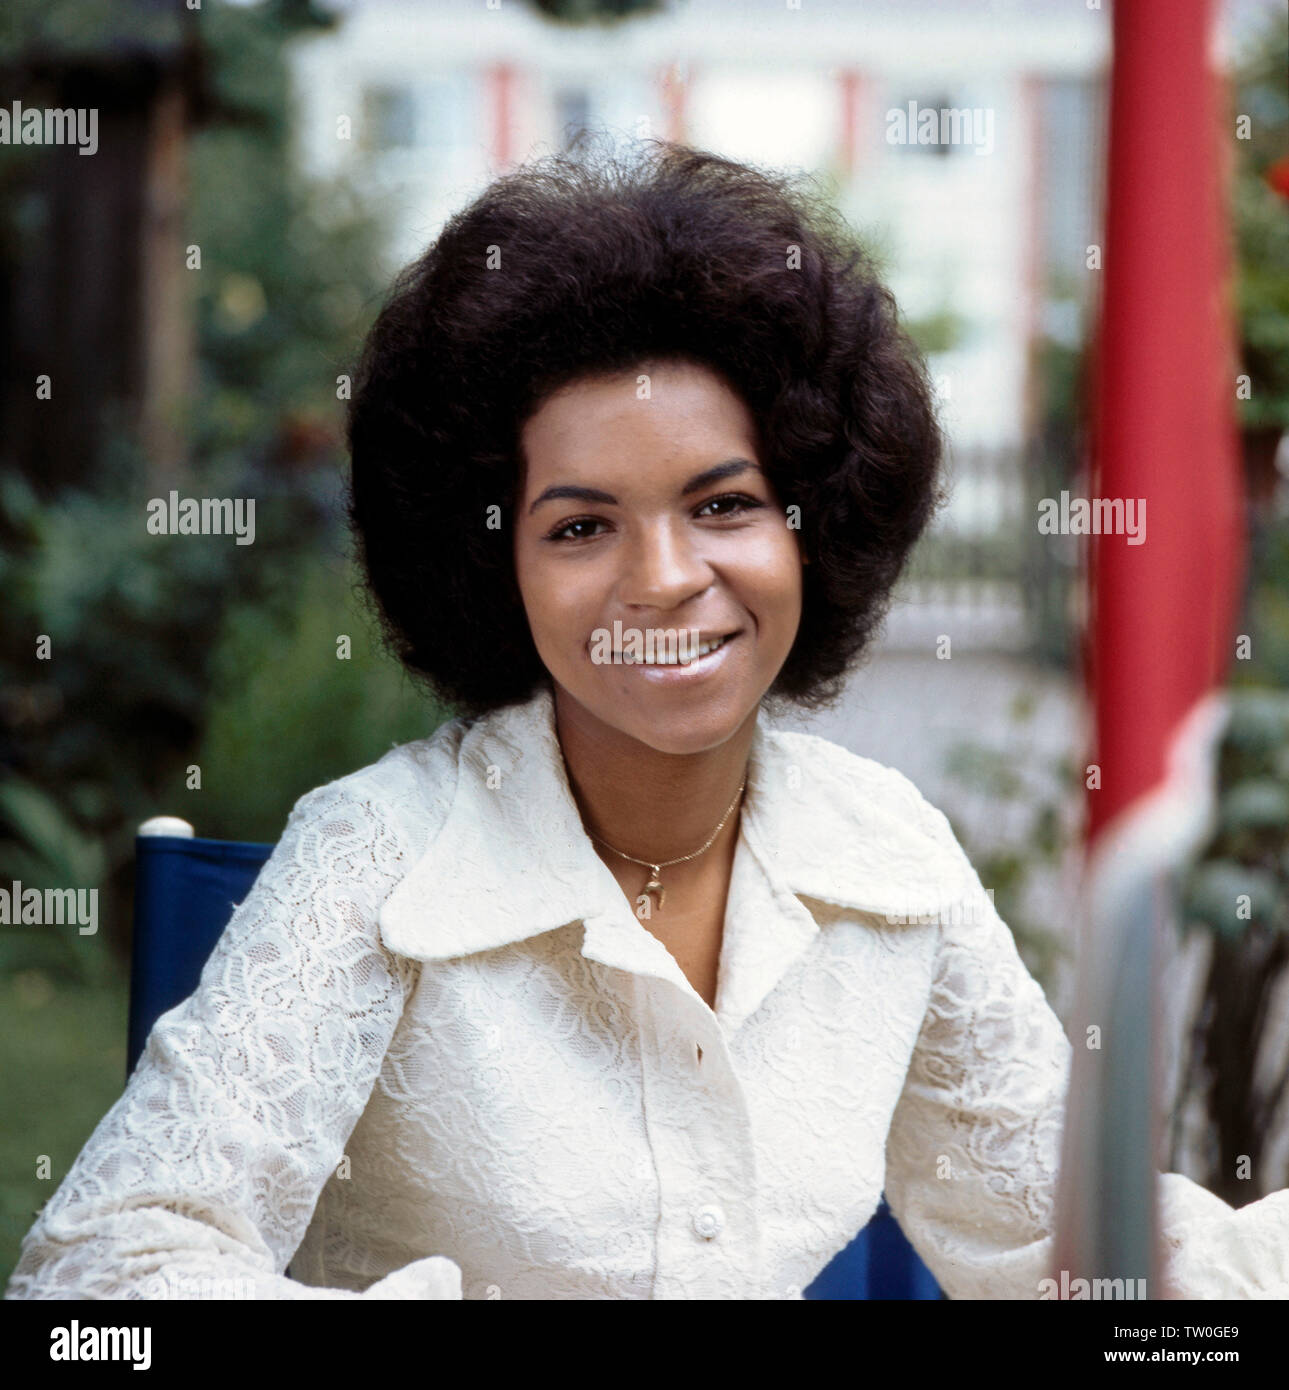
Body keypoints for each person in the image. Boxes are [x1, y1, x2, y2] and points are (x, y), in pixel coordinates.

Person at [7, 140, 1287, 1301]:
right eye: (579, 526)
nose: (664, 576)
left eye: (722, 503)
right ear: (492, 563)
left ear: (812, 519)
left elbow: (1071, 1251)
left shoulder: (885, 854)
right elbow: (98, 1277)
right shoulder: (377, 861)